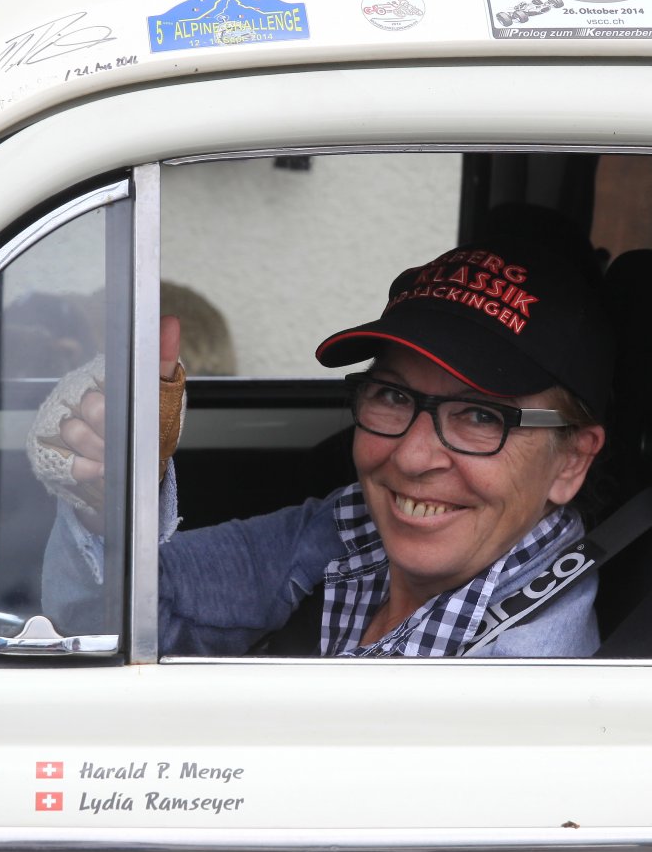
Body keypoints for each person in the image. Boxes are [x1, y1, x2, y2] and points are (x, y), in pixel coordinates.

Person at [33, 215, 614, 657]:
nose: (412, 457)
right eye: (393, 396)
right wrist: (109, 506)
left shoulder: (518, 681)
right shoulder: (351, 529)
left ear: (571, 462)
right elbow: (111, 622)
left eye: (482, 416)